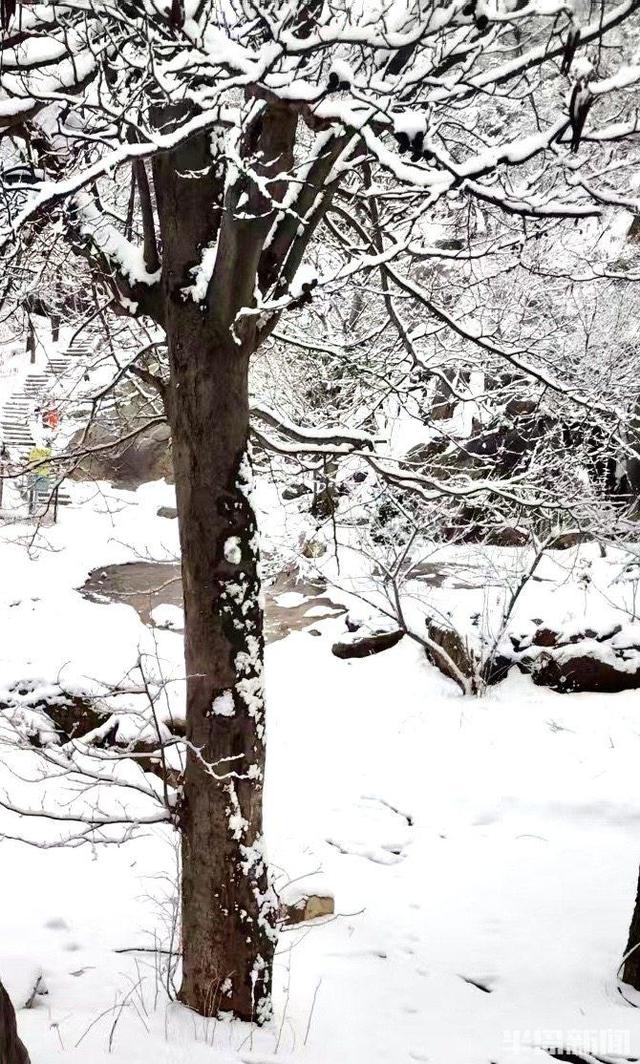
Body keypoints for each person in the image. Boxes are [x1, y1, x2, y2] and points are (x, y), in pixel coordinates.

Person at [27, 443, 52, 515]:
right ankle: (34, 508)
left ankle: (32, 509)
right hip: (43, 474)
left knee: (33, 491)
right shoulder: (48, 452)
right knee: (37, 492)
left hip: (34, 473)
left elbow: (31, 461)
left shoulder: (34, 451)